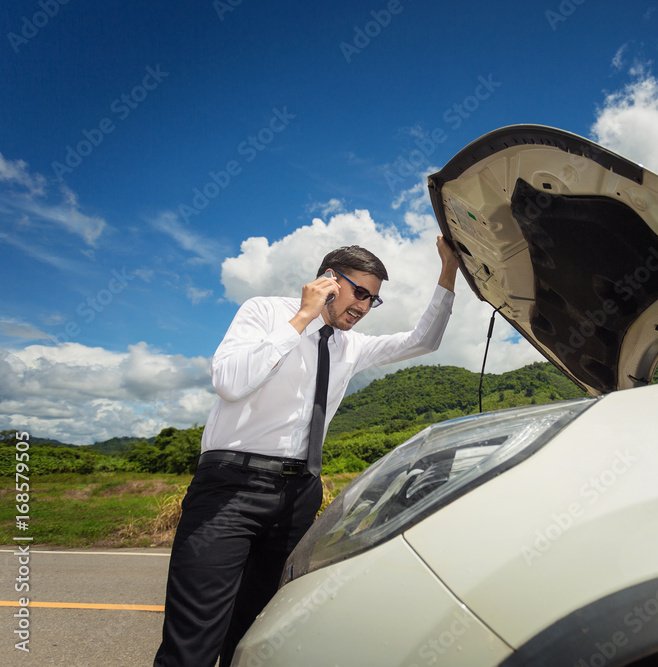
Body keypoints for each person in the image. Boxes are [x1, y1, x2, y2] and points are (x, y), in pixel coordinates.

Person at [154, 237, 460, 667]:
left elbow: (423, 340)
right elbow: (229, 381)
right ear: (330, 281)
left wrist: (449, 269)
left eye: (374, 299)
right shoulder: (265, 313)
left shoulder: (350, 346)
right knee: (194, 637)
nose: (365, 306)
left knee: (257, 632)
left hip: (298, 497)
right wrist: (302, 317)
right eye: (361, 293)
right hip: (229, 490)